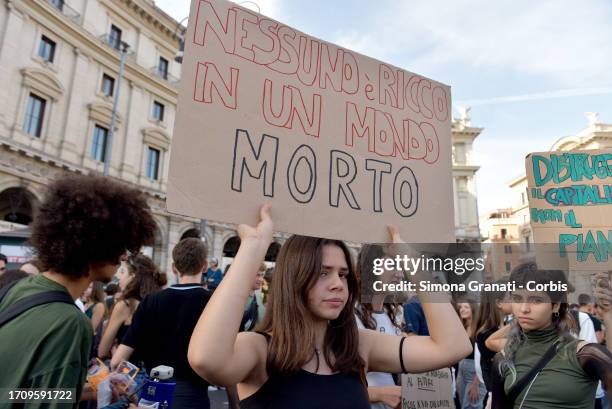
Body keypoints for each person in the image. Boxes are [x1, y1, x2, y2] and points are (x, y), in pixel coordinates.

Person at [187, 205, 472, 409]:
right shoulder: (260, 350)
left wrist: (414, 264)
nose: (338, 284)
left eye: (343, 274)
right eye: (323, 273)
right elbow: (206, 359)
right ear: (295, 279)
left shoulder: (359, 346)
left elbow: (453, 346)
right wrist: (254, 246)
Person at [0, 174, 156, 406]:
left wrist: (85, 391)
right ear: (97, 245)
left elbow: (18, 391)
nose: (124, 256)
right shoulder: (71, 323)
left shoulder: (19, 288)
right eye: (120, 245)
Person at [490, 263, 612, 409]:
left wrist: (609, 316)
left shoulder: (587, 355)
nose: (524, 309)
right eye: (517, 298)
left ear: (555, 305)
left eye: (536, 300)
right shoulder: (503, 360)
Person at [111, 238, 212, 408]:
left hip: (154, 392)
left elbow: (117, 361)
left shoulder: (151, 301)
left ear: (174, 268)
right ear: (205, 266)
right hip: (194, 395)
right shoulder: (213, 302)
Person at [355, 244, 406, 409]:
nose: (399, 273)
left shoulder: (395, 314)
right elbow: (334, 387)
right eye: (392, 264)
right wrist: (379, 394)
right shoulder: (350, 315)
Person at [98, 254, 166, 359]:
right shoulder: (159, 302)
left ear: (133, 276)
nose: (118, 276)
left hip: (128, 371)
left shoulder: (125, 305)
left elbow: (102, 351)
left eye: (122, 272)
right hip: (154, 372)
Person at [473, 281, 512, 406]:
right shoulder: (485, 334)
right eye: (511, 297)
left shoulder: (504, 327)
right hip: (498, 398)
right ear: (499, 303)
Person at [456, 300, 487, 409]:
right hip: (461, 370)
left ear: (473, 310)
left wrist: (476, 383)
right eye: (461, 307)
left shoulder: (481, 330)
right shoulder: (462, 328)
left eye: (466, 307)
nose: (462, 309)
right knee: (463, 405)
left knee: (472, 405)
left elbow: (486, 358)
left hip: (476, 372)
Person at [240, 263, 266, 332]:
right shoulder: (239, 299)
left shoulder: (258, 297)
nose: (261, 279)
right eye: (257, 275)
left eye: (262, 275)